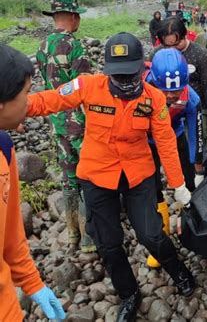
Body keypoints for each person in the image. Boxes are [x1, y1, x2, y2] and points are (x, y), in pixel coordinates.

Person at [27, 32, 196, 322]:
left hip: (138, 174)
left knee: (151, 233)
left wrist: (178, 183)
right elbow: (50, 100)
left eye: (130, 76)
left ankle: (179, 271)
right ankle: (128, 294)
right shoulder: (88, 86)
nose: (125, 82)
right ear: (107, 71)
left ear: (140, 69)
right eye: (118, 76)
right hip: (96, 175)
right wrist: (15, 107)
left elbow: (167, 142)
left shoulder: (153, 99)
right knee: (108, 243)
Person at [0, 44, 65, 321]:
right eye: (25, 93)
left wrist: (32, 283)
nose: (29, 102)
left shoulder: (4, 148)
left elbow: (11, 230)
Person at [37, 0, 96, 254]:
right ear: (73, 17)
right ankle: (89, 238)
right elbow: (85, 89)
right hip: (79, 123)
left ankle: (72, 233)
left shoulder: (42, 47)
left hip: (57, 121)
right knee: (88, 176)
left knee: (69, 177)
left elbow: (49, 88)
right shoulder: (75, 47)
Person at [145, 48, 204, 268]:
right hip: (147, 141)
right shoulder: (140, 88)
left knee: (187, 181)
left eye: (176, 91)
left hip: (175, 134)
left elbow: (195, 133)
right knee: (152, 188)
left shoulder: (191, 98)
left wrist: (196, 164)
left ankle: (187, 226)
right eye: (165, 91)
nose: (170, 96)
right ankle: (162, 236)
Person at [151, 17, 207, 140]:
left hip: (194, 110)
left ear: (185, 35)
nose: (172, 49)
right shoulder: (157, 55)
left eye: (176, 44)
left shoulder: (201, 55)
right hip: (164, 110)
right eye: (167, 46)